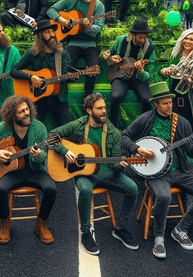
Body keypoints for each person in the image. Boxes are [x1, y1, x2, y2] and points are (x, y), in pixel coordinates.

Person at [121, 82, 193, 259]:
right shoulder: (146, 119)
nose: (169, 105)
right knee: (164, 196)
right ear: (155, 104)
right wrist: (137, 149)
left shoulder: (182, 122)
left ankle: (180, 229)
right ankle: (159, 237)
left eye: (170, 102)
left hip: (180, 171)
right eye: (165, 103)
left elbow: (191, 153)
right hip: (156, 174)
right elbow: (124, 135)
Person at [53, 93, 139, 255]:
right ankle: (86, 233)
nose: (104, 111)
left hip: (106, 172)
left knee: (133, 188)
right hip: (84, 173)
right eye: (99, 108)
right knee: (85, 189)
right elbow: (51, 136)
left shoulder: (112, 131)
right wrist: (64, 151)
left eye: (105, 107)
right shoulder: (78, 125)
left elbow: (114, 164)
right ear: (89, 111)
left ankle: (120, 228)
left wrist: (119, 166)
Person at [0, 95, 56, 245]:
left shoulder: (39, 128)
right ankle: (5, 224)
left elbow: (43, 155)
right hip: (11, 172)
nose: (26, 113)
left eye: (27, 109)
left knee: (51, 189)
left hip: (34, 171)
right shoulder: (2, 129)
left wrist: (37, 155)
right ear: (12, 115)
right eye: (21, 111)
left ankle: (41, 224)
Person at [47, 0, 104, 97]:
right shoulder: (72, 0)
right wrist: (61, 20)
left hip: (90, 44)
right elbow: (50, 10)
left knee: (93, 71)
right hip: (73, 42)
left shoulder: (98, 6)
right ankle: (62, 98)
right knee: (65, 70)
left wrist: (88, 27)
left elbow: (98, 28)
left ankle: (87, 100)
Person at [10, 20, 71, 127]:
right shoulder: (33, 53)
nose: (52, 35)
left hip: (59, 99)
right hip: (38, 99)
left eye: (53, 31)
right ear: (40, 35)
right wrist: (30, 77)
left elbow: (66, 75)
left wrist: (73, 77)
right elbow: (13, 71)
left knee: (67, 130)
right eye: (47, 32)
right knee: (34, 131)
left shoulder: (62, 53)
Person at [103, 17, 155, 127]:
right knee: (116, 97)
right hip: (120, 76)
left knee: (147, 100)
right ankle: (112, 127)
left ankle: (145, 128)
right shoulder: (121, 40)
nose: (142, 40)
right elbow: (109, 53)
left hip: (138, 78)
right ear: (132, 34)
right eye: (140, 37)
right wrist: (109, 58)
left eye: (145, 37)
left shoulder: (149, 47)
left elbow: (150, 74)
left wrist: (141, 71)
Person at [161, 29, 193, 132]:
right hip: (172, 91)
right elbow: (161, 70)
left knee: (189, 119)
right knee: (171, 118)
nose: (187, 41)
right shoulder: (173, 55)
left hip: (189, 95)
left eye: (191, 39)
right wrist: (167, 71)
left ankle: (190, 142)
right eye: (185, 38)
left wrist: (188, 76)